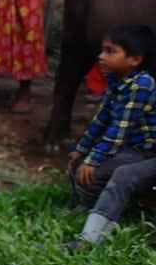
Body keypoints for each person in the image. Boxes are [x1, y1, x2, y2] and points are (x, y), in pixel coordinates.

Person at [64, 24, 156, 249]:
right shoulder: (116, 81)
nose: (101, 56)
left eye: (110, 51)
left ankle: (89, 240)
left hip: (149, 152)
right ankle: (96, 208)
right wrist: (82, 150)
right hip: (136, 151)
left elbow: (119, 130)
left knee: (122, 175)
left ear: (134, 59)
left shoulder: (142, 85)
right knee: (84, 168)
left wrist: (94, 159)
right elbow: (101, 120)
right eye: (102, 50)